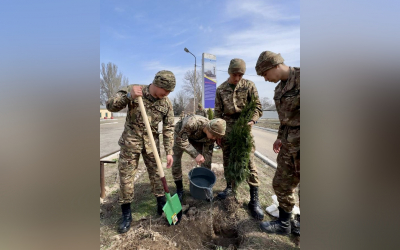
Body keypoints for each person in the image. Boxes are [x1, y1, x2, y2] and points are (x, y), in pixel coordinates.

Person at [106, 70, 176, 234]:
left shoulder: (166, 103)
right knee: (126, 178)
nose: (165, 95)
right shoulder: (134, 90)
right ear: (156, 84)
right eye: (164, 91)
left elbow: (168, 128)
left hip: (152, 145)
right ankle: (126, 215)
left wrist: (169, 151)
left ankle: (161, 206)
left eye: (168, 93)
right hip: (131, 142)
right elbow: (110, 105)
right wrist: (128, 97)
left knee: (157, 176)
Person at [255, 51, 300, 236]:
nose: (265, 80)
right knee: (281, 183)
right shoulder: (278, 89)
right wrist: (280, 137)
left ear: (274, 67)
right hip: (288, 144)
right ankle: (284, 224)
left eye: (265, 75)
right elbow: (284, 119)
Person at [214, 58, 264, 221]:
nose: (237, 77)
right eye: (235, 74)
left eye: (240, 74)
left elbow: (257, 106)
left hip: (244, 127)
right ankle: (229, 188)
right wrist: (218, 134)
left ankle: (254, 200)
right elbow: (217, 114)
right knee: (227, 160)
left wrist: (252, 120)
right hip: (227, 128)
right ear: (229, 72)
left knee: (248, 161)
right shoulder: (221, 89)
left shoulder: (249, 86)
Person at [172, 115, 226, 201]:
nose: (214, 138)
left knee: (206, 160)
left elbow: (207, 154)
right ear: (209, 129)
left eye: (217, 137)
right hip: (181, 134)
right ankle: (179, 189)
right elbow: (181, 140)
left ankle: (206, 188)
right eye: (214, 136)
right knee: (175, 160)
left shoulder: (211, 136)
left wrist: (201, 156)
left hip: (199, 138)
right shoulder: (192, 123)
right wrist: (195, 154)